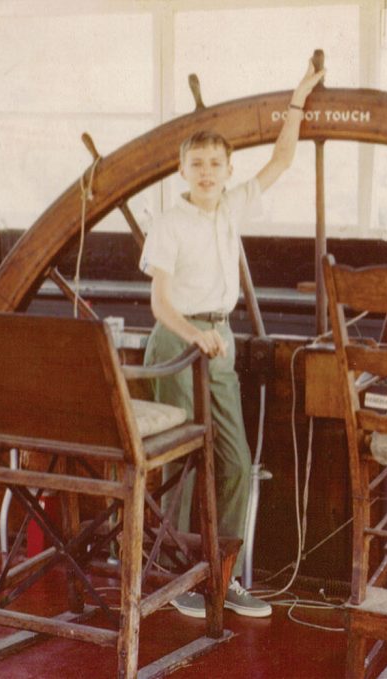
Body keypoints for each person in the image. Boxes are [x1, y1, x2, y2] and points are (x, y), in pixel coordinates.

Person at [139, 59, 325, 619]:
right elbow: (158, 302)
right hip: (176, 346)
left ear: (227, 169)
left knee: (236, 463)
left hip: (220, 344)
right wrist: (195, 334)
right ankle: (177, 577)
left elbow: (283, 159)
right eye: (197, 164)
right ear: (182, 170)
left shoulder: (233, 206)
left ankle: (220, 577)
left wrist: (299, 99)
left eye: (216, 164)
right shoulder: (170, 223)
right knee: (178, 464)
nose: (207, 172)